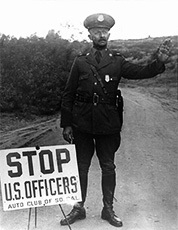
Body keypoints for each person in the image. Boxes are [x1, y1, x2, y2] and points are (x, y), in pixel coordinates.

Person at [60, 13, 171, 227]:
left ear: (109, 33)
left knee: (108, 167)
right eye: (97, 31)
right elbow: (68, 93)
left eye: (104, 31)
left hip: (108, 123)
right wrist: (66, 124)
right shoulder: (80, 61)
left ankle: (107, 209)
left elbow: (141, 72)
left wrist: (159, 63)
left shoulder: (117, 61)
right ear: (90, 34)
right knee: (80, 167)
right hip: (82, 123)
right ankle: (78, 207)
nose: (101, 35)